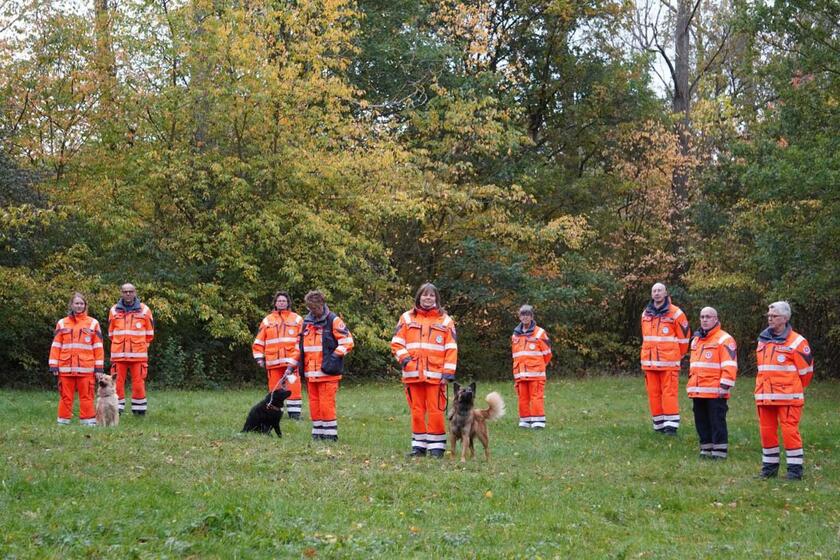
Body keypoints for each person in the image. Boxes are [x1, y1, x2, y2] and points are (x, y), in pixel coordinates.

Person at [390, 283, 458, 457]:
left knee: (435, 411)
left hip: (436, 376)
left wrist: (447, 374)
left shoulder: (446, 321)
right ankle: (418, 447)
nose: (428, 298)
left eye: (431, 295)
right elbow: (397, 343)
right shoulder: (406, 318)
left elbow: (451, 348)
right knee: (417, 411)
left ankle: (437, 448)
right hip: (412, 375)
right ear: (419, 297)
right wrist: (406, 361)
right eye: (425, 295)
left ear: (437, 299)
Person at [755, 301, 813, 480]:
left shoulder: (797, 341)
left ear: (785, 318)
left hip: (789, 398)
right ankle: (769, 469)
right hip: (764, 397)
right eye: (769, 316)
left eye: (774, 316)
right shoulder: (763, 340)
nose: (770, 319)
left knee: (790, 433)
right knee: (767, 432)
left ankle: (795, 471)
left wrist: (790, 388)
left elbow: (806, 372)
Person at [299, 290, 354, 441]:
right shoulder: (306, 323)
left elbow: (348, 342)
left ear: (322, 304)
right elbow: (302, 347)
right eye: (311, 309)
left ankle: (330, 436)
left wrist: (335, 357)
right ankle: (317, 433)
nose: (314, 311)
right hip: (311, 373)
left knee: (326, 404)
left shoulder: (333, 320)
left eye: (316, 308)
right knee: (314, 405)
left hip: (328, 372)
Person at [686, 307, 737, 459]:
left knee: (716, 421)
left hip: (716, 390)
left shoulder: (724, 339)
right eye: (702, 316)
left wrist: (724, 385)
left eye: (708, 317)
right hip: (698, 389)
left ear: (716, 319)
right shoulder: (696, 340)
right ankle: (705, 448)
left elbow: (730, 364)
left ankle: (719, 451)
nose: (704, 319)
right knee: (701, 421)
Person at [640, 282, 689, 435]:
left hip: (669, 363)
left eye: (660, 290)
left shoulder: (676, 313)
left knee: (669, 394)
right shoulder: (645, 314)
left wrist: (676, 356)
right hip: (649, 364)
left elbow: (684, 339)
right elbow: (646, 337)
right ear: (651, 294)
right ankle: (659, 426)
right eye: (654, 290)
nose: (657, 293)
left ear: (666, 292)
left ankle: (671, 427)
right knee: (653, 395)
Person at [49, 293, 105, 425]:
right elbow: (56, 345)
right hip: (65, 368)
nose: (79, 306)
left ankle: (88, 423)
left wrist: (99, 369)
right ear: (71, 305)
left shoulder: (93, 323)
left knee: (87, 397)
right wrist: (53, 365)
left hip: (86, 369)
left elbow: (98, 347)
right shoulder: (62, 323)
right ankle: (62, 423)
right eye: (76, 303)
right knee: (65, 397)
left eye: (81, 304)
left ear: (85, 306)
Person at [252, 291, 304, 419]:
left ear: (288, 303)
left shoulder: (297, 319)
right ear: (275, 303)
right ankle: (275, 412)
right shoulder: (267, 320)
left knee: (294, 387)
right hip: (273, 362)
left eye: (284, 301)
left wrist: (297, 358)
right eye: (279, 301)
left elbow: (302, 341)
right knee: (274, 389)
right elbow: (259, 340)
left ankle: (294, 415)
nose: (281, 302)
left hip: (291, 363)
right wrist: (259, 357)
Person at [108, 283, 155, 415]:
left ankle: (139, 413)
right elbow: (111, 334)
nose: (128, 294)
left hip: (138, 356)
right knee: (117, 384)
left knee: (139, 385)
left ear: (135, 293)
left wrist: (138, 346)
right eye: (125, 291)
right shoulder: (113, 311)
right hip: (118, 355)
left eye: (130, 291)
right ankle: (117, 411)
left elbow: (150, 335)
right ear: (121, 293)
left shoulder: (145, 310)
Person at [511, 305, 552, 429]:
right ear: (519, 317)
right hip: (520, 373)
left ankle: (538, 422)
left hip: (536, 373)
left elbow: (547, 354)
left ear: (532, 316)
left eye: (527, 314)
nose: (525, 317)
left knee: (536, 397)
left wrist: (538, 366)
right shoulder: (515, 334)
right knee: (522, 397)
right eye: (523, 315)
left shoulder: (540, 332)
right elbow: (515, 354)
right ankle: (525, 421)